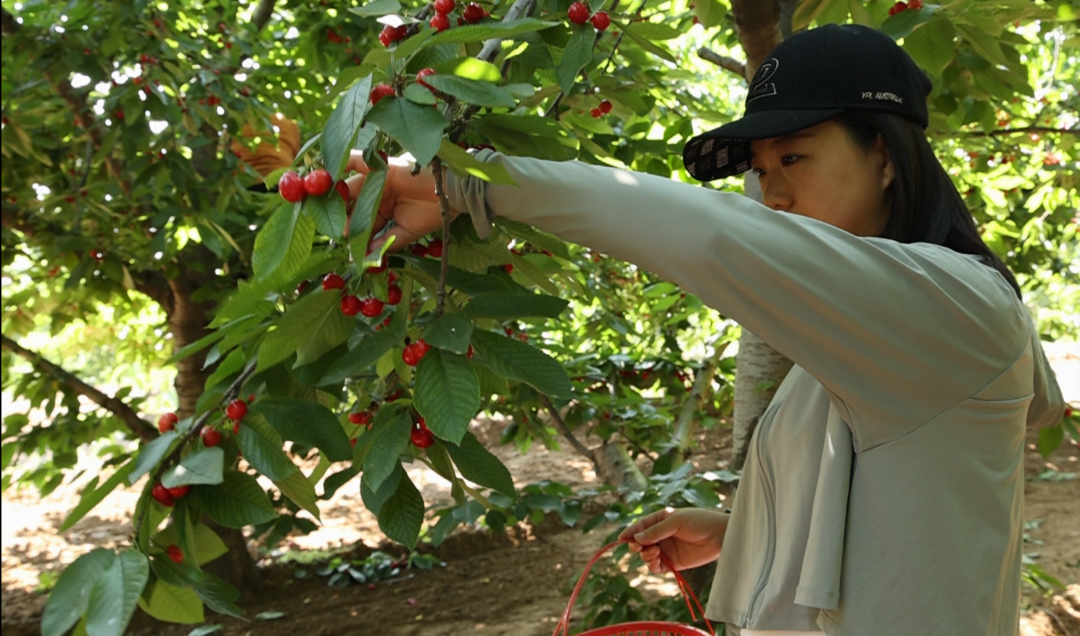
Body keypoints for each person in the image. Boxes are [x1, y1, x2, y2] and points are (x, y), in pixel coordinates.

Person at [341, 24, 1066, 636]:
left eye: (795, 156)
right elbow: (899, 494)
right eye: (758, 168)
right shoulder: (869, 342)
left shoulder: (955, 312)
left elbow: (715, 237)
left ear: (883, 154)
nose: (772, 193)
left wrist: (470, 183)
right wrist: (739, 529)